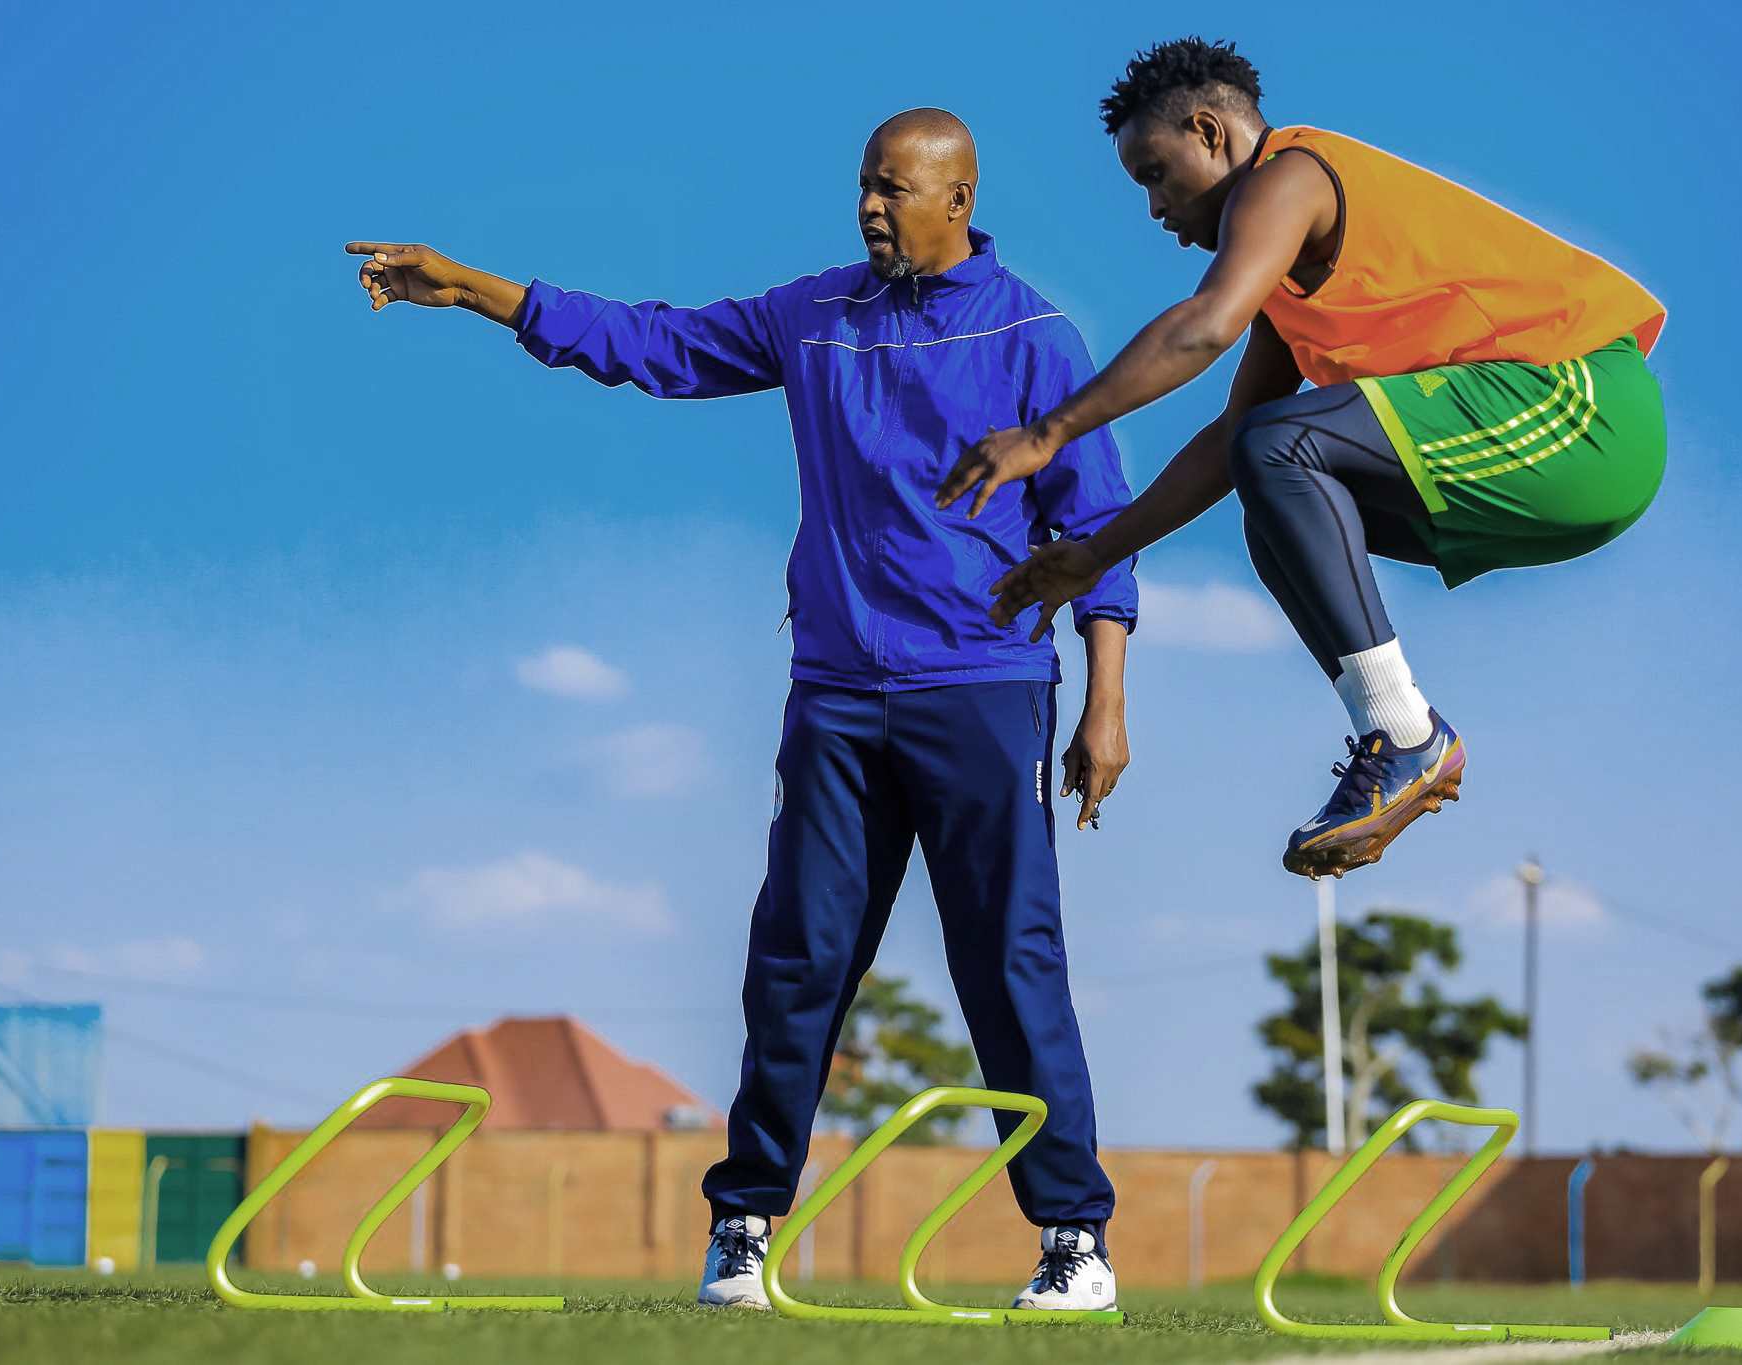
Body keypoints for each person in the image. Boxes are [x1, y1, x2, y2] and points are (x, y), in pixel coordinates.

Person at [346, 108, 1133, 1313]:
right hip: (834, 695)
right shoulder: (814, 317)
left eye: (891, 191)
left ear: (956, 201)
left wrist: (1105, 707)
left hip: (983, 688)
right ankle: (745, 1227)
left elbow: (1097, 532)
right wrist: (476, 291)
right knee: (797, 962)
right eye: (861, 188)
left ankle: (1072, 1241)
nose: (868, 208)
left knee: (1009, 964)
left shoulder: (1036, 336)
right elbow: (651, 344)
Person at [941, 38, 1668, 879]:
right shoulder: (1289, 292)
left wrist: (1048, 433)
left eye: (1153, 171)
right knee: (1268, 495)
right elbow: (1230, 443)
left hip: (1582, 411)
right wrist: (1096, 555)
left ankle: (1406, 736)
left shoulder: (1294, 175)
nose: (1153, 208)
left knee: (1276, 447)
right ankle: (1395, 733)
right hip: (1552, 453)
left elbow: (1205, 326)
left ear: (1210, 133)